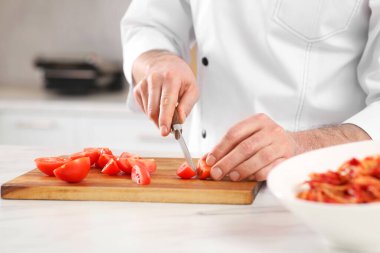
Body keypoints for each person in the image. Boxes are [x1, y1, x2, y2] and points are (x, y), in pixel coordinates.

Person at [121, 1, 379, 182]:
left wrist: (300, 145)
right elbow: (148, 24)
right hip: (206, 183)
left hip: (320, 188)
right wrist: (157, 61)